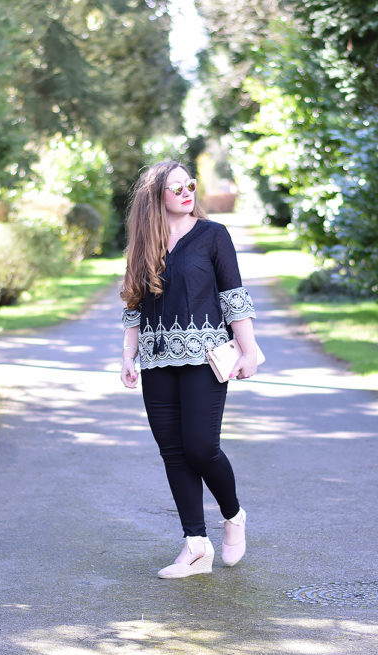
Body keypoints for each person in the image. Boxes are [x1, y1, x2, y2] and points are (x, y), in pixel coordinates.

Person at [119, 161, 259, 579]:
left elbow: (234, 296)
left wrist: (248, 350)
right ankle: (196, 546)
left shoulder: (213, 236)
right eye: (175, 187)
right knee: (174, 454)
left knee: (201, 447)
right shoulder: (143, 242)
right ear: (155, 196)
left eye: (190, 185)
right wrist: (129, 354)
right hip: (157, 360)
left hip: (205, 357)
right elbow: (132, 302)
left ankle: (233, 516)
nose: (186, 192)